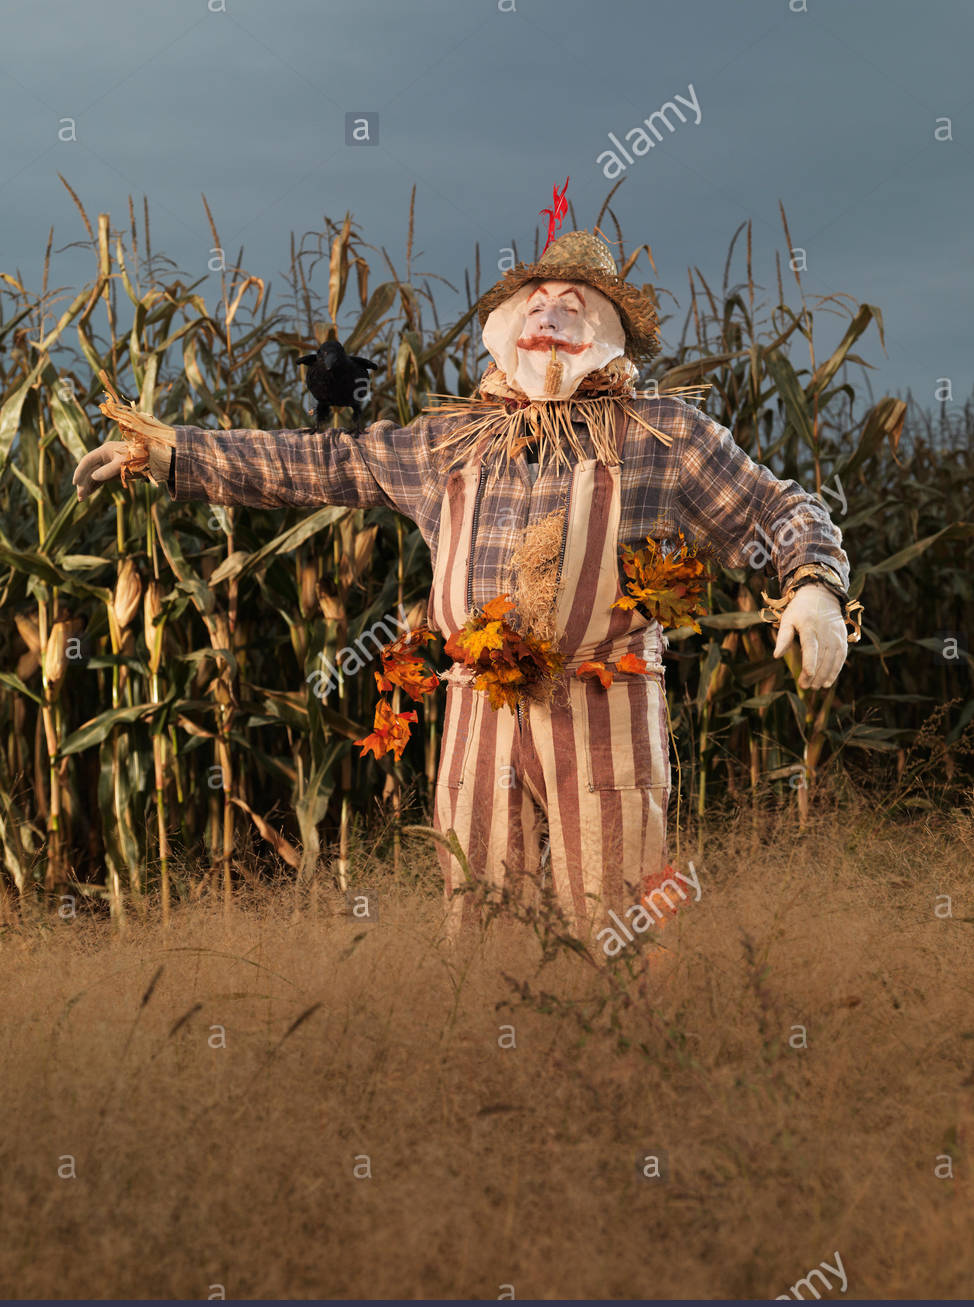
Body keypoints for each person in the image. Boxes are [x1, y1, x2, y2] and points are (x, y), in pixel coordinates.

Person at [74, 229, 860, 934]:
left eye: (573, 303)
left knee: (618, 914)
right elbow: (320, 462)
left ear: (608, 332)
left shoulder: (666, 435)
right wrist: (169, 452)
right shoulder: (452, 441)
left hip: (605, 701)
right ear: (509, 327)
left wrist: (815, 582)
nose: (550, 313)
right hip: (477, 703)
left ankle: (624, 1075)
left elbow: (774, 508)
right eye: (537, 300)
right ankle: (491, 1065)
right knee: (482, 919)